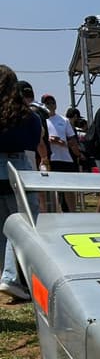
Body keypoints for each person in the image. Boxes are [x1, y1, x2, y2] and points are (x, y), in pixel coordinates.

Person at [0, 65, 43, 301]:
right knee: (22, 228)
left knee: (3, 230)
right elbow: (33, 140)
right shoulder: (27, 116)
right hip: (17, 172)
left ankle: (7, 277)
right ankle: (11, 279)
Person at [41, 94, 82, 211]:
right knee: (52, 189)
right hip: (49, 158)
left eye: (52, 102)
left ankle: (72, 212)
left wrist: (61, 142)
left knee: (68, 189)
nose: (50, 105)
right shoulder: (42, 119)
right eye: (47, 103)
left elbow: (72, 141)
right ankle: (55, 212)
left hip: (65, 158)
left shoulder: (63, 120)